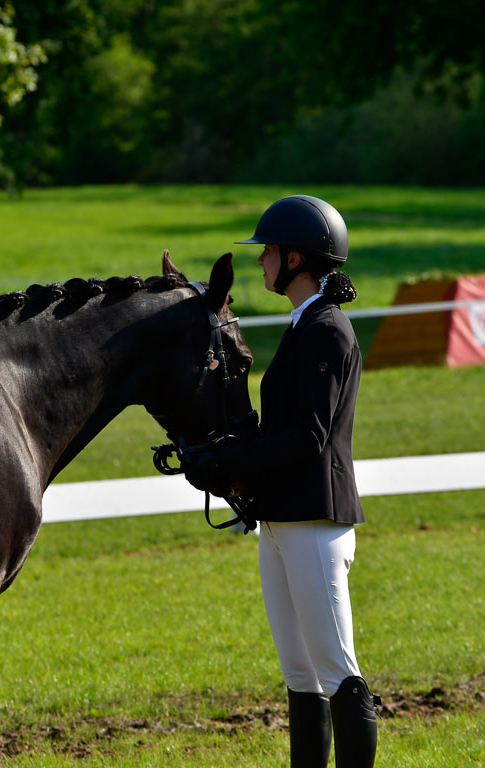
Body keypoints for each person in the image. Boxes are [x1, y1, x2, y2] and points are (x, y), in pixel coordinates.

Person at [184, 195, 379, 768]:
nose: (262, 260)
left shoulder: (326, 330)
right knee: (300, 675)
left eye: (268, 250)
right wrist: (223, 454)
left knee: (338, 669)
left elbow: (308, 437)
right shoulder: (303, 326)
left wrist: (229, 460)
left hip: (315, 518)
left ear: (295, 258)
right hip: (282, 518)